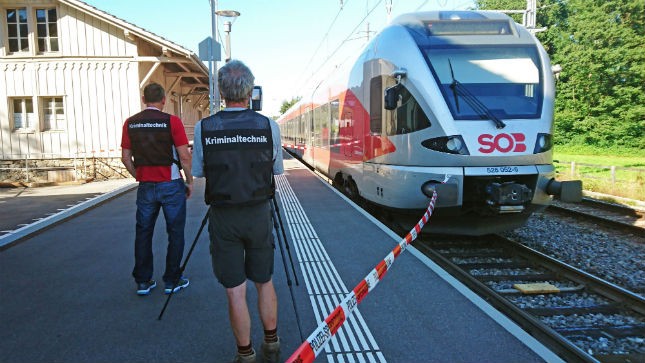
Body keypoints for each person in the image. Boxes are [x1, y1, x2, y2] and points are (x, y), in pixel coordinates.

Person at [192, 60, 284, 363]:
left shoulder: (204, 127)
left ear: (221, 91)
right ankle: (272, 343)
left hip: (223, 216)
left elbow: (199, 172)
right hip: (259, 212)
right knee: (264, 280)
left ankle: (245, 354)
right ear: (249, 90)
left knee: (235, 289)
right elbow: (277, 169)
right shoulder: (268, 126)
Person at [121, 82, 193, 296]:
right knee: (175, 232)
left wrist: (139, 176)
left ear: (144, 100)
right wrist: (189, 181)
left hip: (146, 187)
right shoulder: (172, 122)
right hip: (170, 184)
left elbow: (125, 158)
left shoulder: (130, 123)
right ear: (163, 100)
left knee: (143, 232)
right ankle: (172, 280)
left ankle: (143, 281)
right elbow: (184, 155)